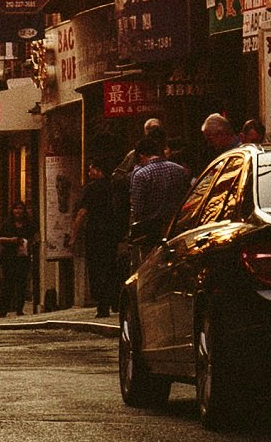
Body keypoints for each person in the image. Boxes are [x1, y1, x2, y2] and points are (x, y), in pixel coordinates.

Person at [126, 125, 192, 261]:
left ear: (141, 156)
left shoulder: (141, 174)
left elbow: (137, 209)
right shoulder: (179, 170)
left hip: (150, 233)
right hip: (176, 228)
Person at [81, 153, 128, 316]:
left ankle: (102, 306)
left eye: (91, 169)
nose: (89, 172)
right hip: (112, 232)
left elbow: (82, 212)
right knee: (110, 268)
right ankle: (114, 300)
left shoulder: (91, 189)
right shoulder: (114, 186)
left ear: (98, 170)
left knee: (96, 270)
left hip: (95, 232)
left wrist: (74, 235)